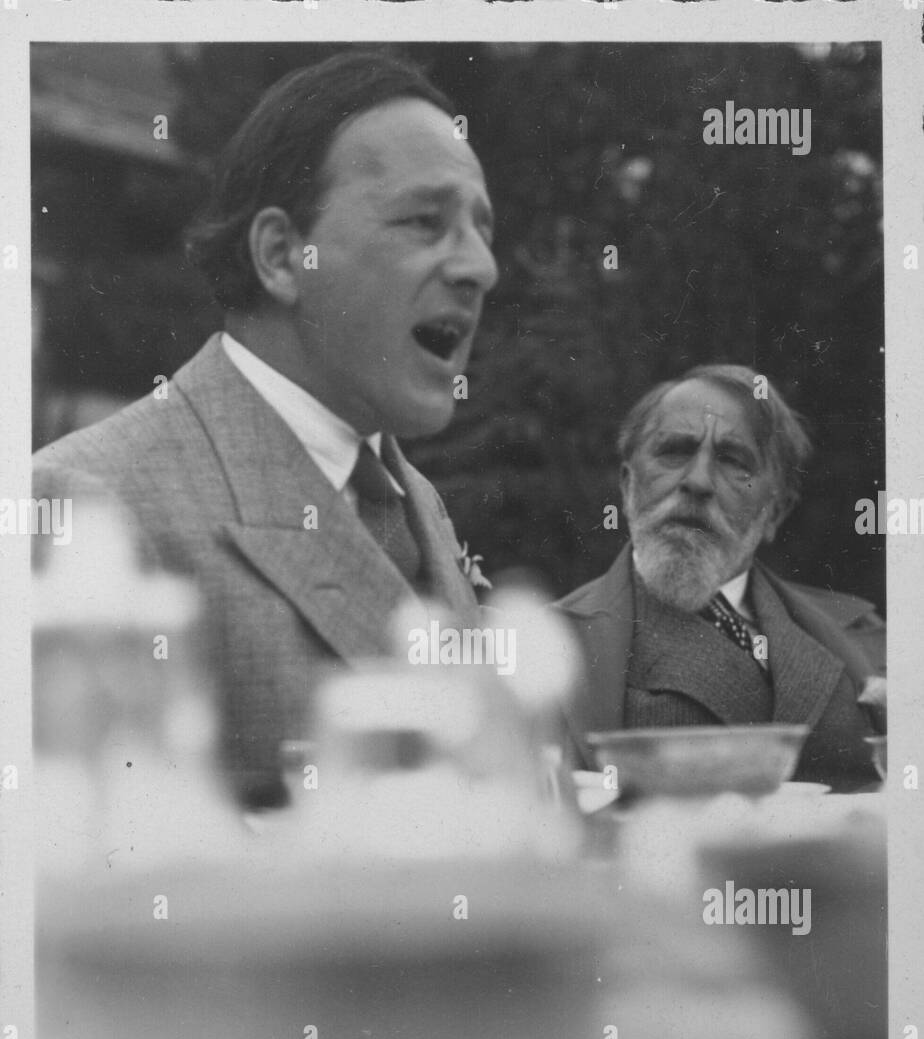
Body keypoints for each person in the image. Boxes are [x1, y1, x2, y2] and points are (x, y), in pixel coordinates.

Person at [33, 51, 498, 809]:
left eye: (482, 230)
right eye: (425, 221)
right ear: (283, 256)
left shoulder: (422, 507)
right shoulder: (86, 501)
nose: (481, 267)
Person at [555, 365, 885, 790]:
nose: (696, 481)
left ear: (775, 512)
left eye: (733, 461)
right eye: (675, 450)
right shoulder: (552, 652)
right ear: (627, 486)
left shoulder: (863, 636)